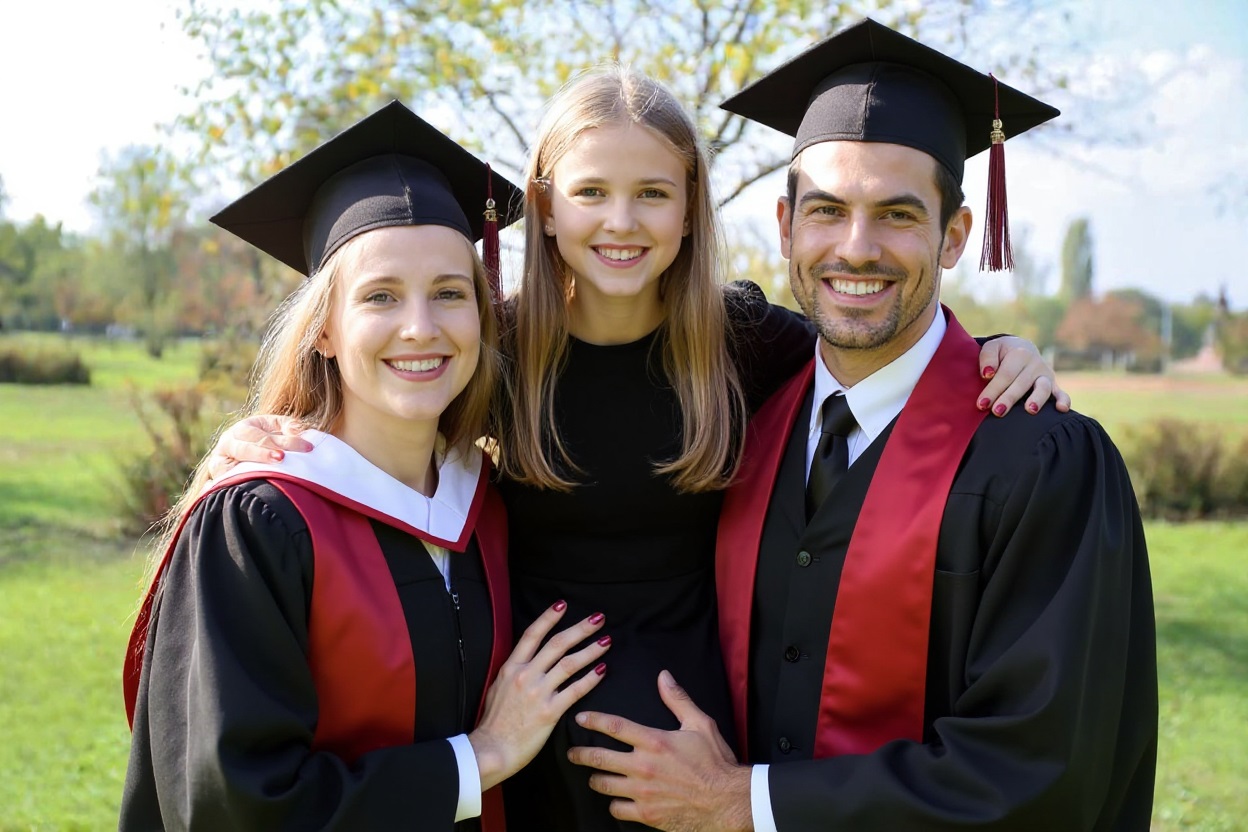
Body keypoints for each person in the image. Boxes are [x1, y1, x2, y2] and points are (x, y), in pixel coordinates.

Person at [206, 67, 1070, 831]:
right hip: (528, 741)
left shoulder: (742, 344)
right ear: (543, 206)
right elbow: (376, 415)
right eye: (591, 192)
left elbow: (874, 342)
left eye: (653, 193)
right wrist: (259, 440)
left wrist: (1000, 349)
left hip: (699, 745)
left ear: (691, 207)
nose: (621, 222)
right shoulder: (498, 352)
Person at [565, 20, 1158, 832]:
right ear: (785, 226)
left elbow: (1043, 770)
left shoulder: (1041, 461)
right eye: (828, 210)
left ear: (954, 236)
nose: (856, 248)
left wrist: (744, 802)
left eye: (897, 214)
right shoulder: (746, 422)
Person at [119, 101, 616, 832]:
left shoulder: (488, 504)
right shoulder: (259, 527)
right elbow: (236, 805)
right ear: (323, 328)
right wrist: (480, 758)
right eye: (381, 296)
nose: (421, 327)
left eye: (450, 293)